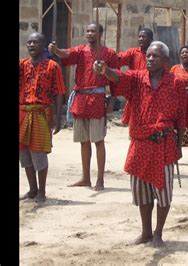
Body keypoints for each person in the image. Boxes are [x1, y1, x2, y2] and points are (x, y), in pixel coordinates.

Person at [93, 41, 188, 247]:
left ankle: (158, 233)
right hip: (140, 143)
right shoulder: (136, 78)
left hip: (163, 144)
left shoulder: (176, 83)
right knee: (142, 192)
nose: (151, 59)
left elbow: (182, 117)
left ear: (165, 60)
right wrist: (104, 69)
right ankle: (146, 232)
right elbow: (117, 76)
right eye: (149, 56)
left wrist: (179, 145)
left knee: (163, 192)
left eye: (155, 56)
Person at [48, 22, 118, 191]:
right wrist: (56, 51)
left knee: (98, 140)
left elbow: (116, 77)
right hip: (81, 99)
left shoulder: (109, 53)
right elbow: (66, 54)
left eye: (93, 31)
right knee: (83, 141)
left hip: (97, 100)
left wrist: (113, 100)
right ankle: (85, 178)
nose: (89, 33)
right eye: (87, 31)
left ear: (100, 34)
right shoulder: (80, 50)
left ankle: (100, 180)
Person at [19, 32, 66, 202]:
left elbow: (59, 93)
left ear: (43, 45)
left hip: (41, 113)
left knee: (38, 152)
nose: (31, 45)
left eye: (35, 42)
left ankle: (42, 191)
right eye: (29, 42)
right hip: (23, 112)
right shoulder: (22, 65)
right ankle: (32, 189)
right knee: (23, 153)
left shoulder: (52, 66)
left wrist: (60, 117)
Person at [117, 28, 153, 126]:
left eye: (144, 37)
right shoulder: (133, 52)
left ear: (150, 39)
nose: (141, 39)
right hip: (136, 91)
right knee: (134, 121)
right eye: (139, 36)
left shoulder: (155, 54)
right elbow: (118, 59)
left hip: (150, 91)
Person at [170, 46, 188, 146]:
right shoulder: (175, 68)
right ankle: (176, 142)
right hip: (177, 99)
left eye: (187, 52)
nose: (184, 54)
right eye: (182, 52)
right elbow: (169, 83)